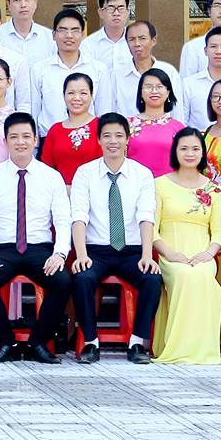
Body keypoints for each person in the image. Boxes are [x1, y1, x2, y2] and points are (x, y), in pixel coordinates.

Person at [0, 111, 75, 363]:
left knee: (62, 281)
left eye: (26, 136)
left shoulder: (51, 177)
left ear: (35, 140)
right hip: (2, 249)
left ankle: (38, 343)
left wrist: (60, 253)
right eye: (14, 137)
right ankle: (6, 342)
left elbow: (63, 220)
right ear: (5, 141)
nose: (20, 142)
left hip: (39, 249)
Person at [67, 114, 161, 363]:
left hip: (131, 250)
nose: (113, 141)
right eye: (107, 135)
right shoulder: (85, 173)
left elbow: (146, 216)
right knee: (82, 277)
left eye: (119, 136)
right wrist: (81, 255)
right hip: (96, 250)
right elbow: (79, 215)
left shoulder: (142, 174)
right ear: (98, 140)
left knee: (152, 278)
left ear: (128, 139)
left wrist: (147, 255)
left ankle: (137, 342)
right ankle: (90, 342)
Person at [151, 127, 221, 364]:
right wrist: (170, 254)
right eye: (184, 148)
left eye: (195, 149)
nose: (190, 153)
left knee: (203, 276)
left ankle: (202, 350)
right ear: (175, 152)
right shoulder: (159, 185)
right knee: (184, 275)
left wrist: (208, 253)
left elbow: (219, 232)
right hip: (170, 254)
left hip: (202, 254)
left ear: (202, 153)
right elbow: (151, 229)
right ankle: (176, 348)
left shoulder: (213, 189)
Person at [33, 7, 102, 127]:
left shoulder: (98, 69)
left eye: (75, 30)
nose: (69, 35)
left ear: (83, 35)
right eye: (63, 30)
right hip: (49, 135)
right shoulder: (39, 69)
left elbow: (103, 109)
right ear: (53, 35)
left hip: (88, 135)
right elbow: (34, 108)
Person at [41, 73, 101, 183]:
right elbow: (46, 169)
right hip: (60, 191)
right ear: (63, 95)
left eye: (83, 93)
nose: (76, 98)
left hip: (93, 190)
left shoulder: (101, 126)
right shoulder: (55, 130)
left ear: (92, 95)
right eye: (71, 93)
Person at [180, 26, 221, 129]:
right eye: (213, 46)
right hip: (197, 139)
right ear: (205, 50)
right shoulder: (188, 84)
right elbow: (182, 122)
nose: (218, 51)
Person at [126, 70, 186, 176]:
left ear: (168, 92)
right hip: (135, 183)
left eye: (159, 86)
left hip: (168, 184)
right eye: (148, 86)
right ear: (141, 92)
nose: (154, 91)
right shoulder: (126, 125)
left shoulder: (178, 128)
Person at [0, 0, 55, 71]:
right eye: (17, 0)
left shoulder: (50, 38)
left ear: (35, 2)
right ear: (8, 4)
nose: (23, 4)